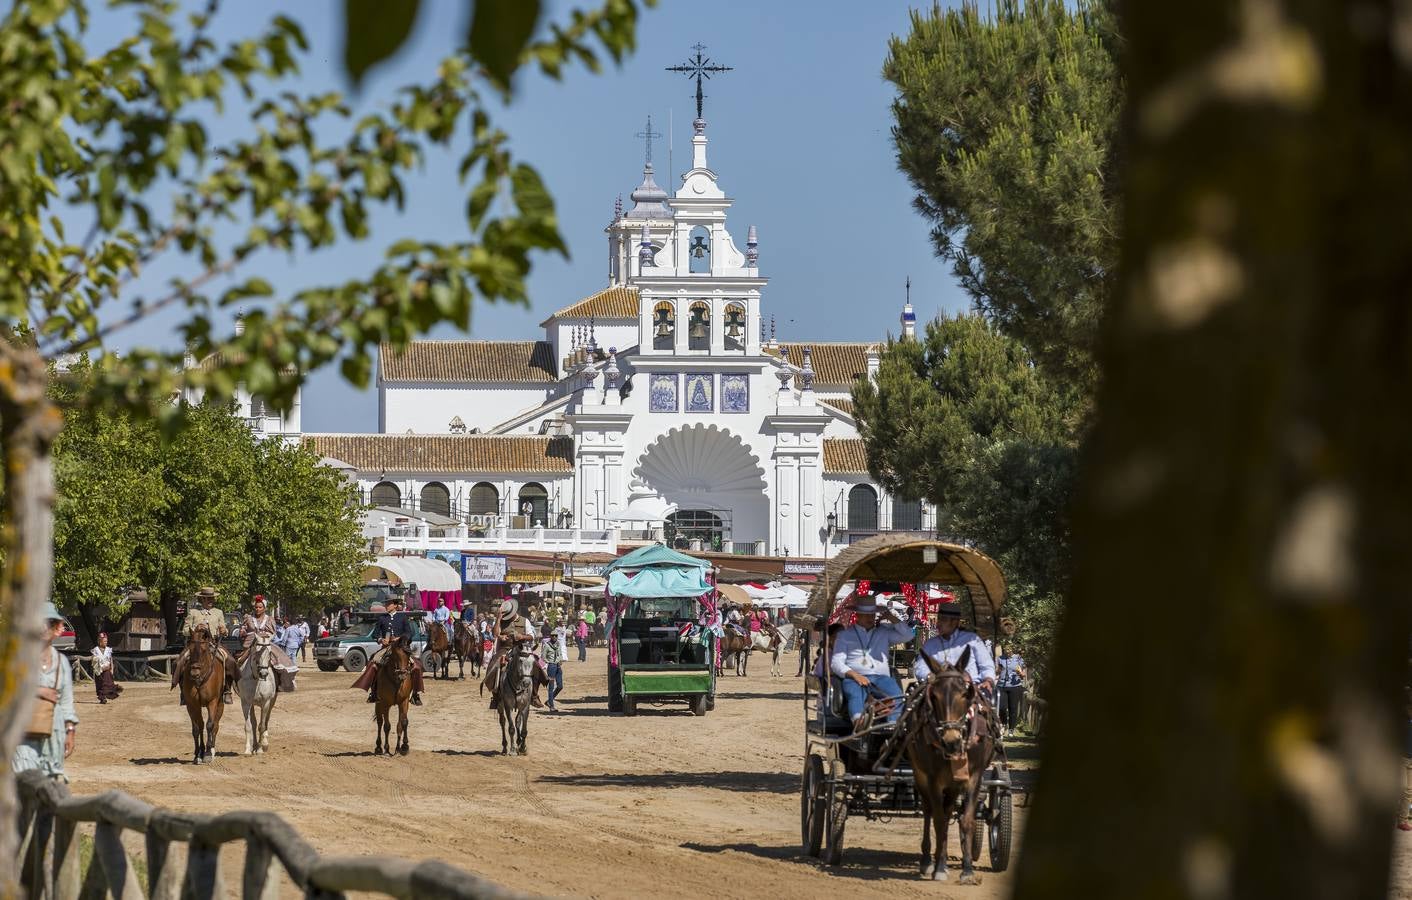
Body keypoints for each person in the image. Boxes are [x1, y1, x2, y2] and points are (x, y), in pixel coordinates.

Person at [14, 601, 79, 782]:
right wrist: (39, 690)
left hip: (54, 736)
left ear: (57, 628)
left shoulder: (62, 663)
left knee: (49, 787)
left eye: (49, 623)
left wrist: (70, 731)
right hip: (22, 735)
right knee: (23, 784)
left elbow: (67, 703)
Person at [828, 596, 914, 731]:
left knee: (897, 694)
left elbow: (908, 635)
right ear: (857, 615)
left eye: (872, 614)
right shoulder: (845, 635)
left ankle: (891, 727)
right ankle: (859, 723)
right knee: (854, 694)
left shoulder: (884, 632)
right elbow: (836, 663)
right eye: (866, 615)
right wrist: (854, 675)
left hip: (881, 678)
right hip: (855, 678)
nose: (870, 618)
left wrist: (893, 619)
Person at [350, 597, 425, 705]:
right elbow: (375, 634)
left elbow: (409, 633)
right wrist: (381, 640)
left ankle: (415, 695)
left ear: (395, 605)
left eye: (388, 604)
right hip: (386, 648)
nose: (386, 606)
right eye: (386, 604)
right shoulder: (382, 618)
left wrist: (399, 638)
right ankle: (374, 692)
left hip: (400, 647)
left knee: (417, 667)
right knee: (372, 663)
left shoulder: (402, 617)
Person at [172, 586, 237, 704]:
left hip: (213, 644)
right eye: (207, 599)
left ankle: (227, 690)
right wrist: (195, 628)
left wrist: (224, 630)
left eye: (212, 598)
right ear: (202, 599)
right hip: (195, 645)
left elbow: (224, 629)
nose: (210, 601)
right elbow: (185, 630)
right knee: (178, 662)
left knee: (231, 661)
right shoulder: (193, 613)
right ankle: (183, 691)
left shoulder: (218, 613)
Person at [911, 602, 996, 692]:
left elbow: (987, 665)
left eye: (943, 620)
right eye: (938, 619)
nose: (938, 623)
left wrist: (988, 680)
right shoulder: (930, 644)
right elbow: (920, 667)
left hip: (970, 689)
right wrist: (932, 677)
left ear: (954, 622)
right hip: (938, 689)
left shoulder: (972, 639)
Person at [994, 644, 1026, 737]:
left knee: (1013, 708)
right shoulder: (1000, 658)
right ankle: (1003, 724)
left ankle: (1011, 729)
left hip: (1015, 686)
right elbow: (998, 671)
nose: (1007, 651)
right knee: (1001, 708)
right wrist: (996, 671)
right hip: (1001, 685)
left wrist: (1020, 673)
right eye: (1006, 649)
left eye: (1009, 650)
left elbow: (1023, 674)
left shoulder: (1019, 659)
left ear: (1013, 650)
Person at [91, 632, 122, 704]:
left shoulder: (108, 650)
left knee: (107, 684)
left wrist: (112, 669)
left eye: (106, 641)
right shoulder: (95, 650)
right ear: (100, 641)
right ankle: (102, 698)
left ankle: (110, 693)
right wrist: (97, 667)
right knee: (100, 685)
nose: (106, 642)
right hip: (99, 671)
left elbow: (110, 660)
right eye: (104, 641)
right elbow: (93, 660)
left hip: (107, 671)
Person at [541, 623, 565, 711]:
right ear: (550, 636)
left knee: (560, 686)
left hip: (558, 666)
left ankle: (549, 701)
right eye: (553, 636)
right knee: (551, 687)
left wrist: (561, 660)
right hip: (551, 666)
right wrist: (549, 662)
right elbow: (543, 656)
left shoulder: (558, 644)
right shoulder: (547, 645)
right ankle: (551, 706)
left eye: (556, 636)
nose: (554, 637)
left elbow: (560, 654)